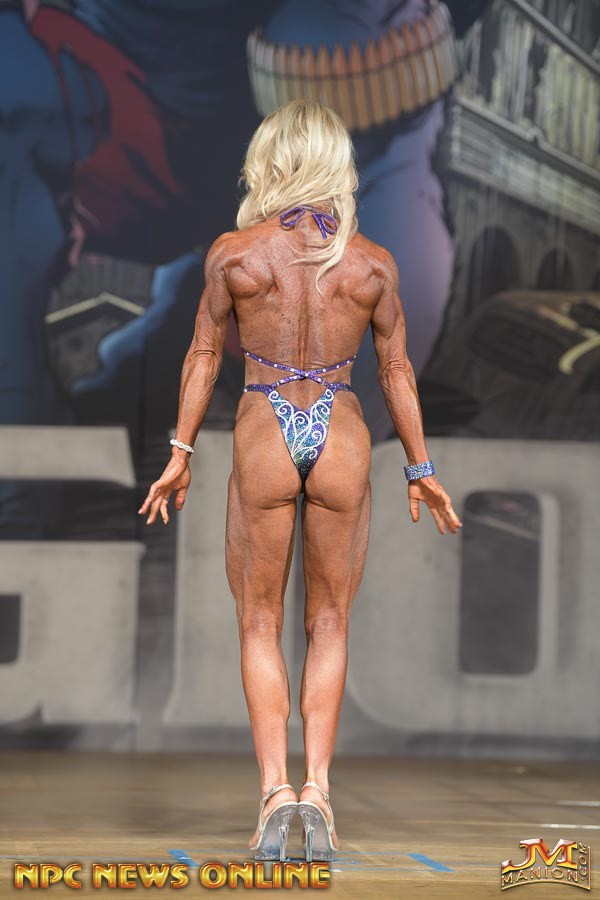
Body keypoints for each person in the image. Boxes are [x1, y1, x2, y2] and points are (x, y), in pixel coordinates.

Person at [138, 99, 462, 862]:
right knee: (331, 623)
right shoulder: (371, 263)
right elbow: (395, 371)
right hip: (340, 430)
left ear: (271, 161)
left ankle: (274, 795)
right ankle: (318, 791)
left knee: (258, 621)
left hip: (265, 425)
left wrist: (181, 450)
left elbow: (203, 357)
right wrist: (420, 468)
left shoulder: (236, 255)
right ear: (336, 164)